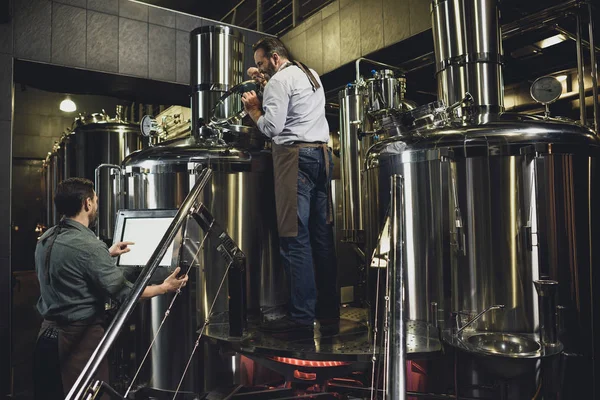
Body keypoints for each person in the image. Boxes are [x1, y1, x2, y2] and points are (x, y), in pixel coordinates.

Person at [32, 177, 188, 399]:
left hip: (46, 338)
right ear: (87, 204)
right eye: (95, 200)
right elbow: (127, 294)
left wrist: (107, 252)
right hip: (78, 342)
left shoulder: (46, 238)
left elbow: (71, 266)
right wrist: (165, 287)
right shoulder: (89, 247)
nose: (96, 204)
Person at [241, 38, 339, 333]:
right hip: (323, 157)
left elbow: (273, 128)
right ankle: (329, 311)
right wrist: (265, 81)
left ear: (273, 58)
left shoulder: (279, 81)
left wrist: (255, 109)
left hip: (295, 160)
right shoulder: (310, 73)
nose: (257, 70)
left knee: (295, 240)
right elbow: (293, 106)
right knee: (322, 240)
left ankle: (300, 318)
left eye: (260, 64)